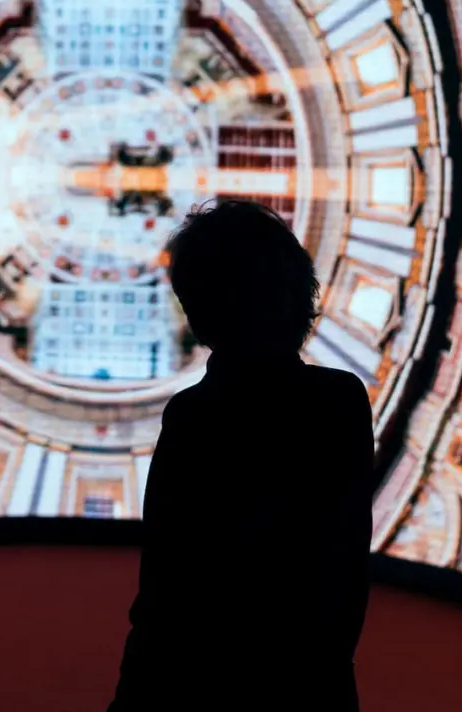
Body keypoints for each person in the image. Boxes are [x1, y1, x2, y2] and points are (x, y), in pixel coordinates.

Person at [109, 200, 375, 711]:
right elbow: (342, 567)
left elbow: (167, 588)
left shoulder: (193, 415)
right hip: (310, 684)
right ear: (299, 291)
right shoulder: (340, 401)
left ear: (198, 311)